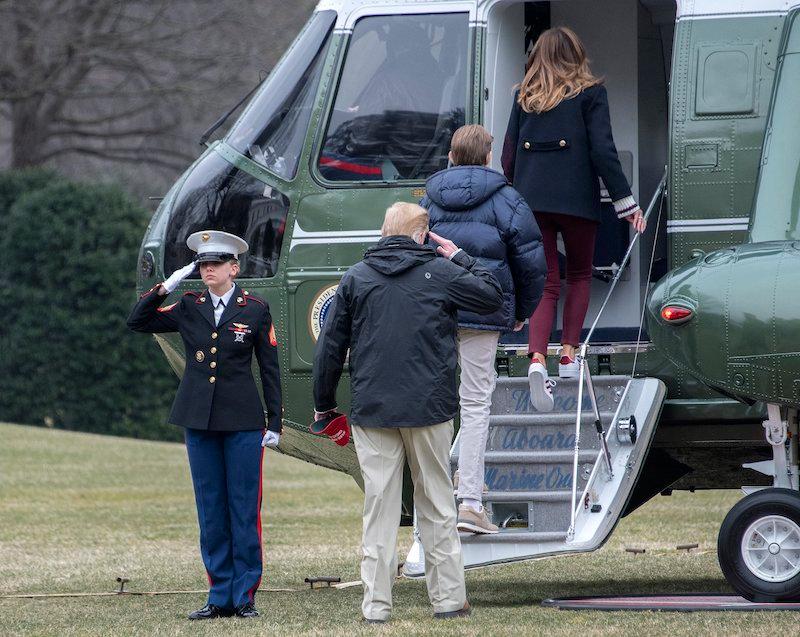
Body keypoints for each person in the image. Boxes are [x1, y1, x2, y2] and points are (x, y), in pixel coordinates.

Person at [312, 203, 503, 623]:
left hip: (372, 410)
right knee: (436, 502)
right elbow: (493, 296)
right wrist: (459, 256)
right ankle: (449, 601)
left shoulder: (356, 278)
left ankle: (376, 607)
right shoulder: (441, 273)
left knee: (378, 507)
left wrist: (324, 404)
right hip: (429, 408)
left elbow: (329, 347)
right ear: (422, 236)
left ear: (383, 233)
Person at [127, 230, 282, 620]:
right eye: (202, 264)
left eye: (215, 264)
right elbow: (138, 321)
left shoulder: (255, 308)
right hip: (199, 419)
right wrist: (167, 285)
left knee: (244, 507)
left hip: (243, 420)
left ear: (234, 268)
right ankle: (218, 595)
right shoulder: (189, 304)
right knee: (211, 508)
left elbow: (269, 368)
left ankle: (244, 595)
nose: (207, 270)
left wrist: (275, 422)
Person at [501, 26, 646, 411]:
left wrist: (515, 196)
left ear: (539, 59)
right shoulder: (591, 94)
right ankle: (568, 355)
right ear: (577, 55)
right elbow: (604, 152)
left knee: (547, 282)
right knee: (579, 274)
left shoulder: (523, 98)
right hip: (577, 202)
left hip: (531, 203)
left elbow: (507, 158)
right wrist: (627, 205)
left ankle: (535, 359)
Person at [421, 124, 546, 534]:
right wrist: (521, 311)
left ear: (452, 155)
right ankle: (471, 502)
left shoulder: (429, 201)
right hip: (484, 310)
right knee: (475, 404)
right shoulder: (507, 199)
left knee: (438, 405)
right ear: (488, 156)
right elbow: (530, 261)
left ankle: (441, 499)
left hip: (436, 312)